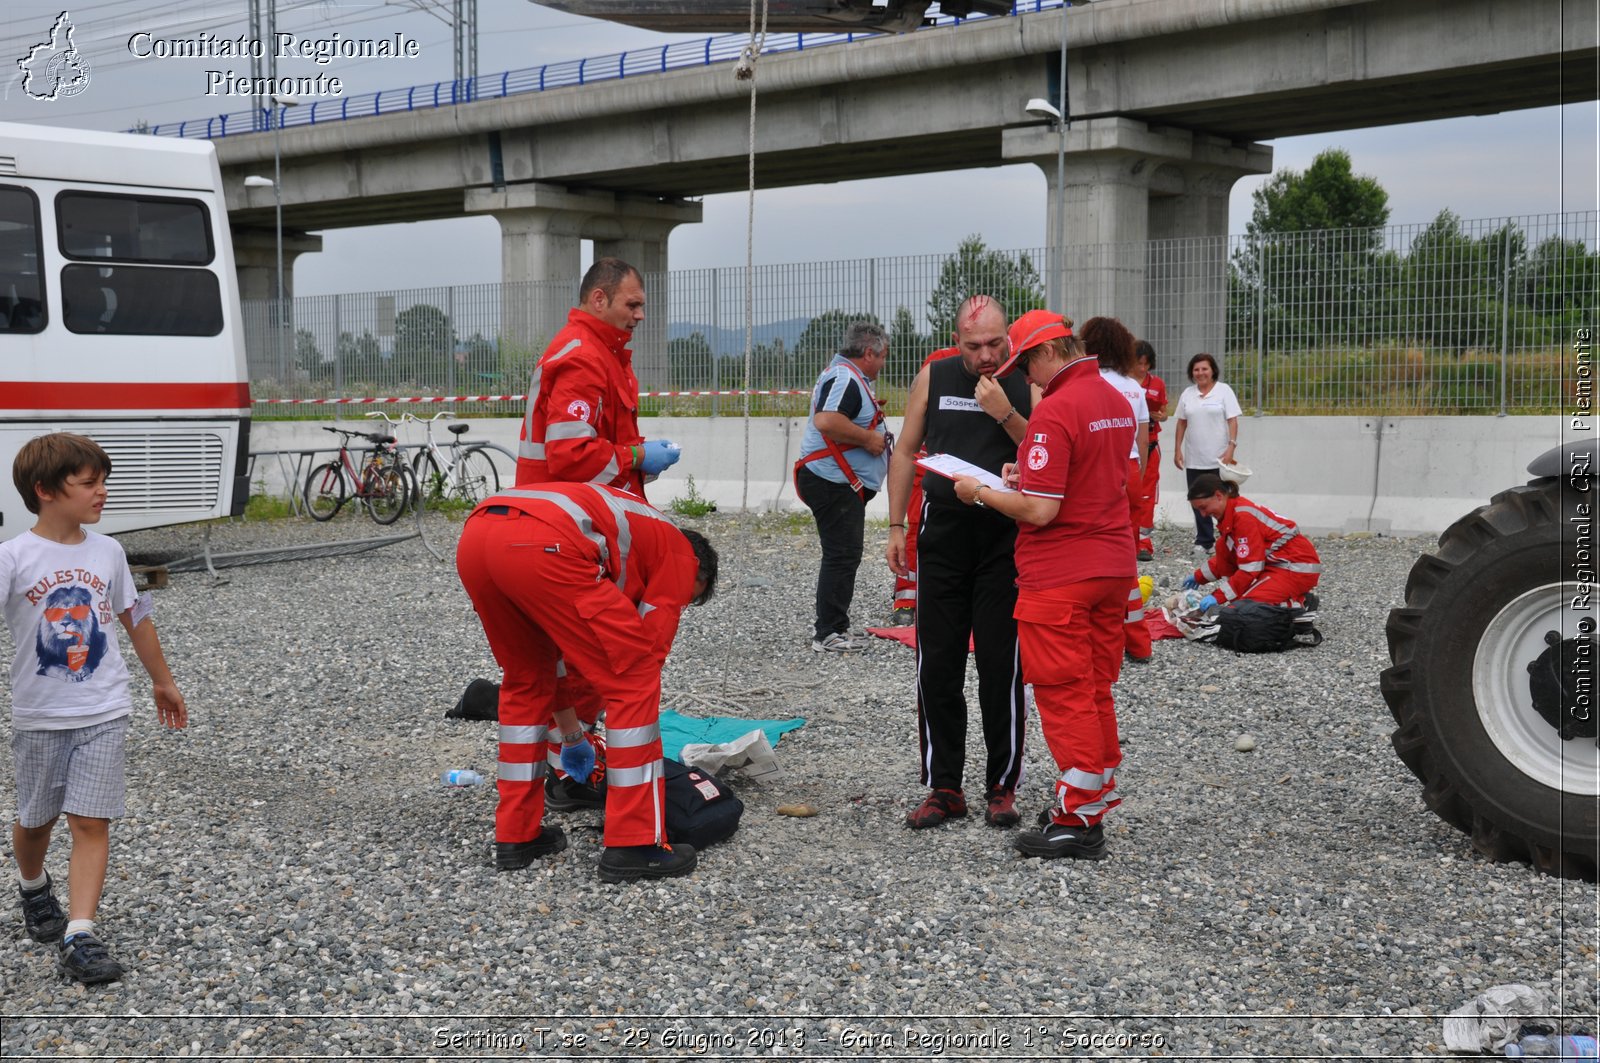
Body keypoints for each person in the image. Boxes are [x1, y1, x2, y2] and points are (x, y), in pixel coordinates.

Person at [455, 482, 718, 883]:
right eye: (687, 597)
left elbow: (559, 655)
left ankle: (517, 836)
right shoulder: (678, 551)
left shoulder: (628, 536)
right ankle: (635, 844)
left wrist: (573, 733)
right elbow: (644, 653)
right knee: (635, 680)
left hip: (478, 538)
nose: (679, 603)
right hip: (546, 543)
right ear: (696, 569)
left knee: (526, 682)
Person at [3, 433, 187, 984]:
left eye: (102, 481)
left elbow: (136, 616)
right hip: (40, 716)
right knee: (36, 821)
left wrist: (163, 680)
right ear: (45, 490)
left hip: (105, 708)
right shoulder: (13, 557)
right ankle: (33, 886)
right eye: (89, 483)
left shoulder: (107, 552)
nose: (102, 492)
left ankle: (80, 933)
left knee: (90, 819)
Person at [950, 311, 1135, 862]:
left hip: (1061, 575)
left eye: (1026, 364)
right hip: (1112, 565)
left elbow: (1040, 509)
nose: (1026, 378)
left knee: (1063, 692)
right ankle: (1092, 798)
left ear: (1048, 351)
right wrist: (1023, 475)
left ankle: (1077, 819)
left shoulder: (1056, 408)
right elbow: (1085, 476)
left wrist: (979, 493)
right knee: (1097, 687)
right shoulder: (1113, 399)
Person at [886, 295, 1033, 830]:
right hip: (943, 533)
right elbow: (905, 450)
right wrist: (896, 524)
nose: (986, 355)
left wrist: (1007, 414)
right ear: (958, 342)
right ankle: (944, 785)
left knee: (1001, 666)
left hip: (1004, 537)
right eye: (974, 346)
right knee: (937, 665)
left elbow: (1043, 449)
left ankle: (1002, 785)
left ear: (1009, 339)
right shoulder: (937, 375)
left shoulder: (1028, 380)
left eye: (995, 344)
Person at [515, 257, 683, 494]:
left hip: (575, 506)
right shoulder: (584, 358)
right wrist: (639, 455)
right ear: (599, 300)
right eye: (632, 305)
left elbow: (600, 442)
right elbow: (570, 455)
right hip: (566, 513)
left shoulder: (602, 353)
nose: (640, 315)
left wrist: (638, 456)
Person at [794, 321, 891, 653]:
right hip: (831, 480)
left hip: (834, 479)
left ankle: (836, 626)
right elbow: (827, 420)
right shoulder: (846, 378)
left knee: (843, 554)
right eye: (882, 356)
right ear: (869, 352)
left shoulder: (843, 376)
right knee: (842, 554)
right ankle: (828, 633)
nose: (883, 363)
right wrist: (869, 439)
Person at [1080, 316, 1151, 664]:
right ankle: (1137, 643)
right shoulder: (1134, 388)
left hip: (1096, 475)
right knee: (1127, 559)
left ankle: (1095, 638)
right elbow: (1143, 441)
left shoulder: (1083, 385)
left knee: (1091, 556)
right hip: (1130, 471)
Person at [887, 346, 959, 625]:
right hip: (930, 459)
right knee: (917, 528)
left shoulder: (997, 363)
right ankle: (907, 596)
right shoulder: (939, 364)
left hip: (966, 464)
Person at [1182, 473, 1321, 610]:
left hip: (1295, 567)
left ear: (1219, 496)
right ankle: (1271, 600)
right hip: (1279, 564)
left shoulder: (1242, 518)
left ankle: (1299, 605)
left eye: (1203, 507)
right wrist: (1198, 576)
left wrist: (1218, 596)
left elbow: (1249, 569)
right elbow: (1231, 557)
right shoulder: (1231, 517)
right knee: (1222, 548)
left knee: (1246, 610)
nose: (1203, 514)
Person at [1172, 352, 1242, 556]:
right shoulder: (1187, 394)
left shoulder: (1224, 391)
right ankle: (1205, 542)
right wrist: (1177, 449)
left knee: (1225, 501)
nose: (1200, 373)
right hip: (1194, 459)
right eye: (1196, 369)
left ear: (1212, 371)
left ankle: (1231, 539)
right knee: (1198, 501)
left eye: (1204, 369)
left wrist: (1231, 447)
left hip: (1219, 459)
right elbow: (1182, 422)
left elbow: (1232, 421)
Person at [1131, 340, 1169, 561]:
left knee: (1146, 493)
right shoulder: (1123, 383)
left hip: (1151, 443)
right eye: (1138, 363)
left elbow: (1164, 412)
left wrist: (1159, 416)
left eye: (1146, 364)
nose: (1142, 368)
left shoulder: (1157, 384)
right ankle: (1127, 540)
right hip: (1128, 446)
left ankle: (1144, 542)